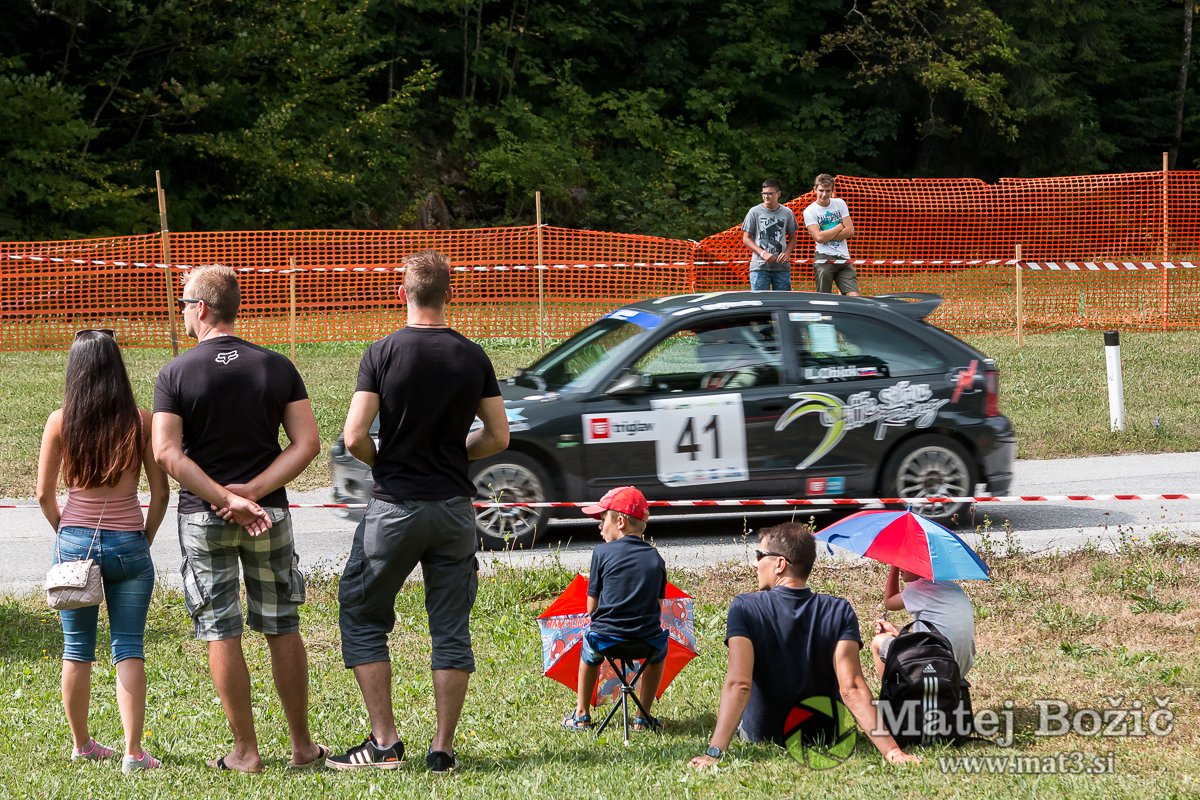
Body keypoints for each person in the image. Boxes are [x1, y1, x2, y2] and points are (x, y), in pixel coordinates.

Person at [330, 250, 509, 774]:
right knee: (450, 628)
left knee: (362, 614)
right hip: (453, 509)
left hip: (395, 508)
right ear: (450, 294)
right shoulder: (472, 356)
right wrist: (456, 454)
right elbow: (499, 436)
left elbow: (354, 436)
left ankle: (384, 742)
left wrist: (386, 461)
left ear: (401, 294)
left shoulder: (382, 353)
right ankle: (443, 748)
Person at [152, 265, 326, 773]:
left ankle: (246, 752)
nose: (182, 312)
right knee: (282, 624)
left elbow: (166, 453)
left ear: (203, 308)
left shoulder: (175, 373)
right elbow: (307, 443)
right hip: (267, 514)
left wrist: (223, 497)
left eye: (185, 304)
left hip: (203, 518)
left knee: (220, 629)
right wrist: (252, 494)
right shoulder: (276, 366)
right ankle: (302, 748)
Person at [36, 329, 169, 774]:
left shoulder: (60, 421)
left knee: (76, 649)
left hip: (75, 542)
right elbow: (161, 493)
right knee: (128, 646)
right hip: (129, 541)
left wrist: (67, 534)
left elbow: (43, 495)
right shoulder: (141, 421)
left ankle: (82, 745)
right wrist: (144, 537)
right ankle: (134, 753)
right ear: (117, 368)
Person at [687, 523, 918, 769]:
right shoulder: (839, 610)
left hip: (763, 734)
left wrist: (713, 753)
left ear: (780, 564)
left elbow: (739, 684)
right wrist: (892, 751)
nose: (755, 563)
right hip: (824, 734)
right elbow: (851, 688)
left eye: (759, 555)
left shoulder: (745, 607)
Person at [562, 486, 668, 732]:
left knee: (589, 649)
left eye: (602, 519)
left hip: (605, 641)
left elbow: (591, 608)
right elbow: (658, 607)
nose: (599, 527)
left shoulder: (601, 553)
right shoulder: (656, 558)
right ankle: (643, 717)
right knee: (659, 652)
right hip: (647, 642)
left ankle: (581, 714)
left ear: (620, 522)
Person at [870, 566, 976, 680]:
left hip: (932, 669)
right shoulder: (954, 588)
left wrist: (894, 565)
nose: (901, 566)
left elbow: (889, 602)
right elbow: (937, 637)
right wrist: (898, 632)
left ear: (921, 563)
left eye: (905, 562)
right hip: (958, 669)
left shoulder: (919, 587)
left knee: (878, 641)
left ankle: (890, 690)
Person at [802, 173, 859, 296]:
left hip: (843, 256)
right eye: (821, 190)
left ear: (832, 190)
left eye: (828, 191)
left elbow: (850, 231)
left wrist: (826, 236)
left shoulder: (840, 203)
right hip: (824, 257)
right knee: (824, 298)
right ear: (815, 189)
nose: (824, 194)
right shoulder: (809, 211)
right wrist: (839, 226)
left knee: (854, 297)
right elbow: (819, 237)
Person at [741, 179, 797, 291]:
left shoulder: (787, 212)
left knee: (783, 299)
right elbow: (746, 238)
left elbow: (793, 238)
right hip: (759, 266)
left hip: (781, 267)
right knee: (759, 300)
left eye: (770, 193)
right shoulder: (754, 212)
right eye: (764, 193)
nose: (766, 196)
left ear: (778, 194)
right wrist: (763, 253)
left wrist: (787, 253)